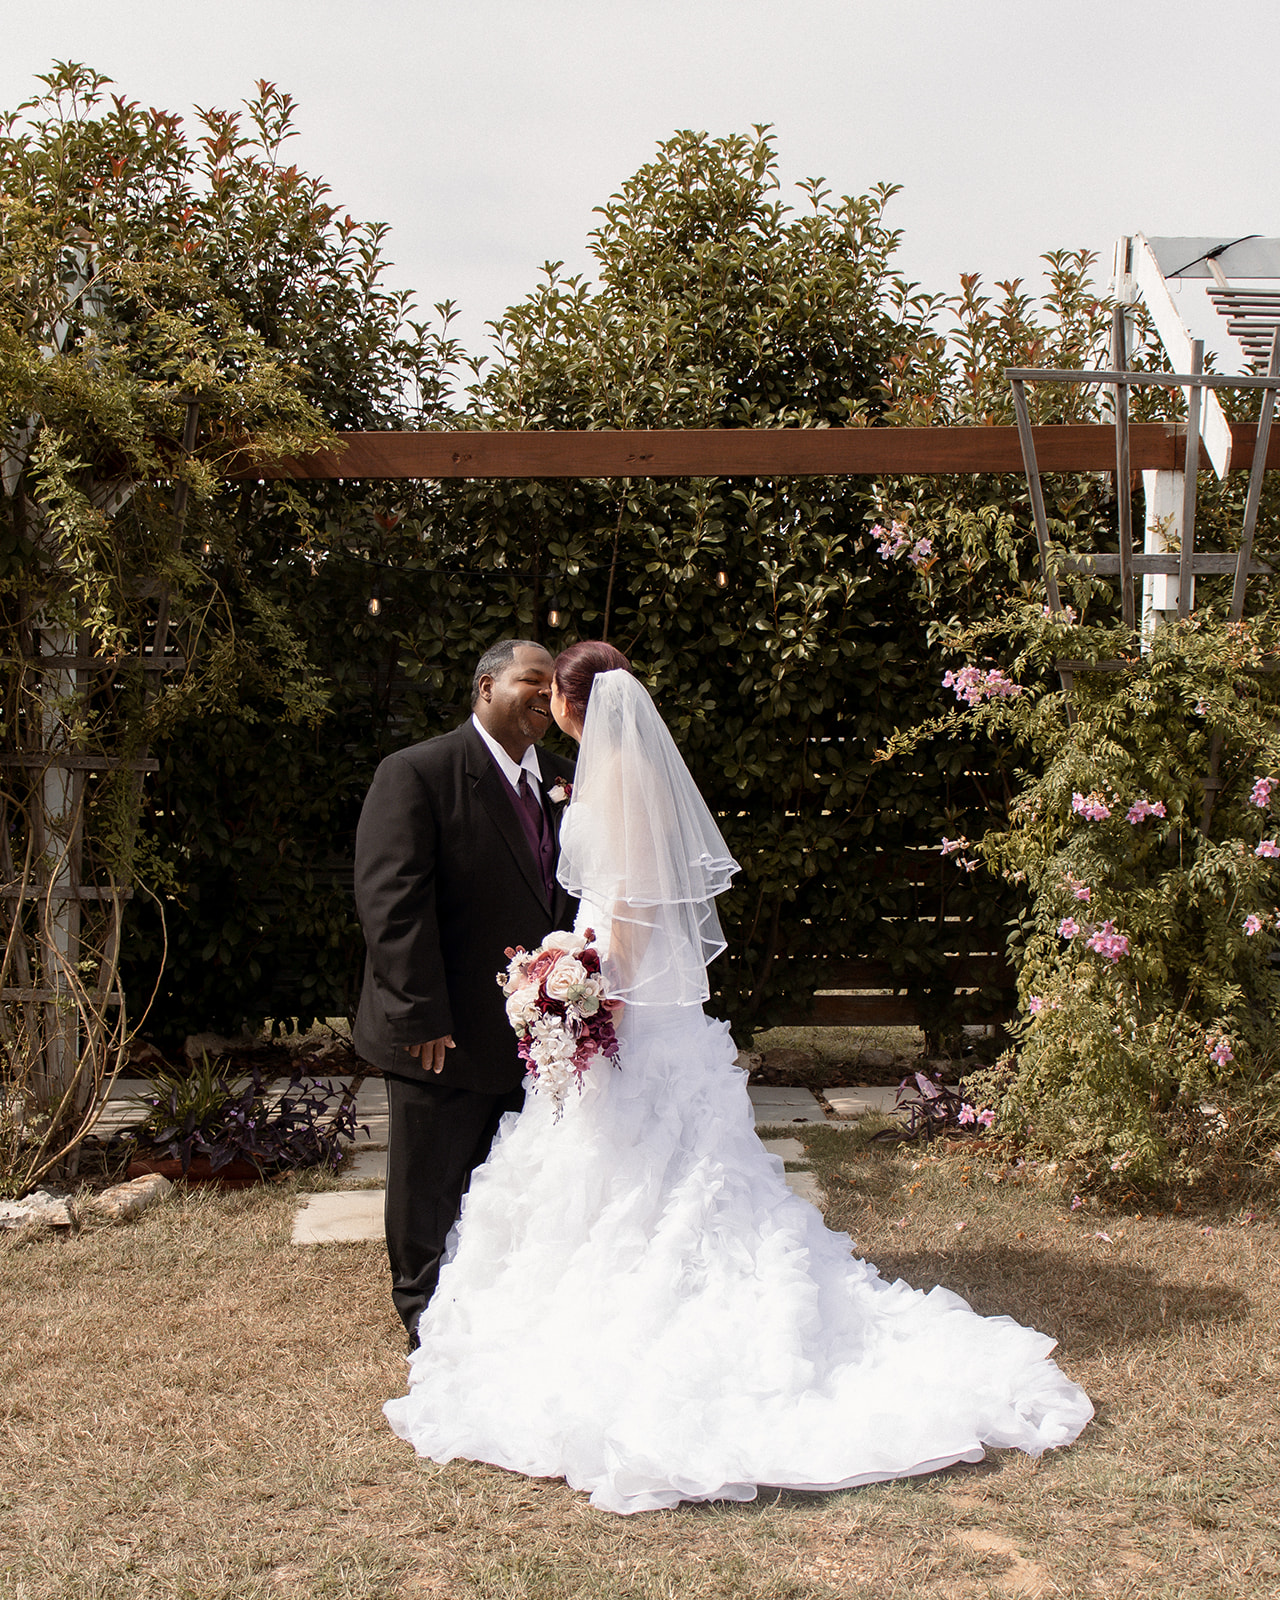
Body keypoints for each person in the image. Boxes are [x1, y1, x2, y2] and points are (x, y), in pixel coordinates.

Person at [384, 641, 1093, 1513]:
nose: (547, 714)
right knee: (660, 1188)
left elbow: (630, 928)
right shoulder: (605, 774)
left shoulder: (618, 785)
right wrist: (566, 969)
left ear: (575, 706)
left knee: (642, 1189)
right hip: (647, 1029)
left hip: (631, 1020)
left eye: (551, 696)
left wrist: (568, 975)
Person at [352, 639, 576, 1346]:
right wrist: (420, 1013)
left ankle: (499, 1309)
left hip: (535, 1035)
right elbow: (392, 902)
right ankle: (423, 1318)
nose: (545, 694)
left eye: (554, 684)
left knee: (510, 1181)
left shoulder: (568, 780)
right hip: (441, 1029)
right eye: (530, 680)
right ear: (486, 687)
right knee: (430, 1185)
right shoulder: (417, 772)